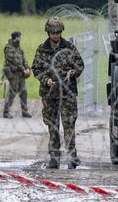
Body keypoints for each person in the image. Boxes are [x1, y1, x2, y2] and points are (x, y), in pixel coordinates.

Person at [32, 17, 84, 169]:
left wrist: (74, 72)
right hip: (50, 94)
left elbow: (80, 64)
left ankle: (72, 156)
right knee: (52, 125)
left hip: (67, 93)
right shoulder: (42, 49)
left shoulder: (69, 48)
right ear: (48, 33)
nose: (56, 36)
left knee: (69, 124)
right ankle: (54, 156)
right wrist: (46, 80)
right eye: (53, 33)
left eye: (58, 33)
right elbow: (36, 68)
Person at [2, 31, 32, 118]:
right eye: (19, 37)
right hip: (13, 73)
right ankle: (6, 112)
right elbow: (14, 60)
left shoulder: (19, 48)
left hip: (21, 74)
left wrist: (27, 67)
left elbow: (23, 59)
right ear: (15, 37)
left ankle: (24, 111)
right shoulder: (8, 48)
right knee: (12, 92)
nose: (20, 39)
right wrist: (23, 69)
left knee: (23, 92)